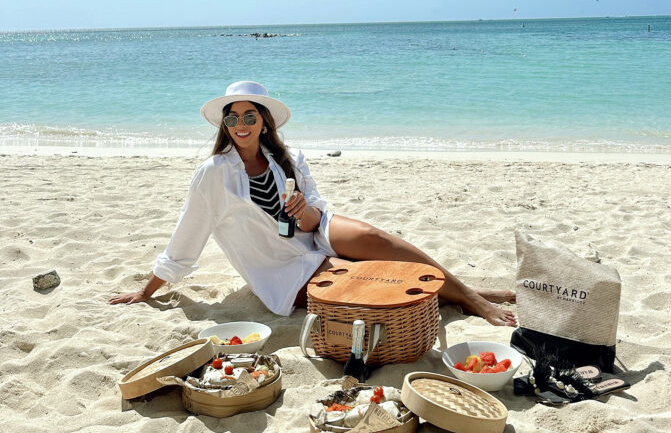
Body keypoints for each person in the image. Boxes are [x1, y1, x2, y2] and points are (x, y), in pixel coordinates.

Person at [109, 82, 516, 325]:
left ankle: (467, 294)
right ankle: (469, 294)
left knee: (373, 238)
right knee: (372, 279)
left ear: (264, 121)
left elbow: (314, 215)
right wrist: (147, 291)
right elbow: (186, 237)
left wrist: (306, 212)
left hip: (315, 234)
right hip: (283, 268)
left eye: (249, 116)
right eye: (232, 119)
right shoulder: (213, 174)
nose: (240, 125)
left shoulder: (290, 158)